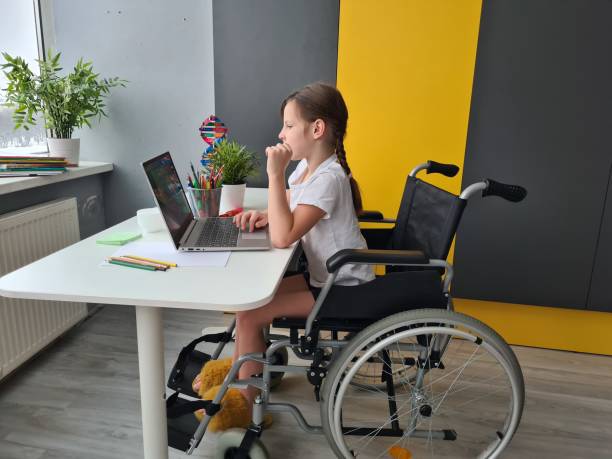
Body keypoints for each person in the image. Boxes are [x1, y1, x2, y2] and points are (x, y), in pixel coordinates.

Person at [192, 82, 375, 431]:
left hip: (344, 288)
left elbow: (283, 237)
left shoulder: (328, 179)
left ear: (316, 129)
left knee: (248, 315)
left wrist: (273, 174)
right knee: (250, 306)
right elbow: (288, 212)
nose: (281, 133)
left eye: (289, 125)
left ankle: (243, 405)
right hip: (326, 279)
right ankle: (247, 370)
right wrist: (266, 214)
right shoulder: (306, 170)